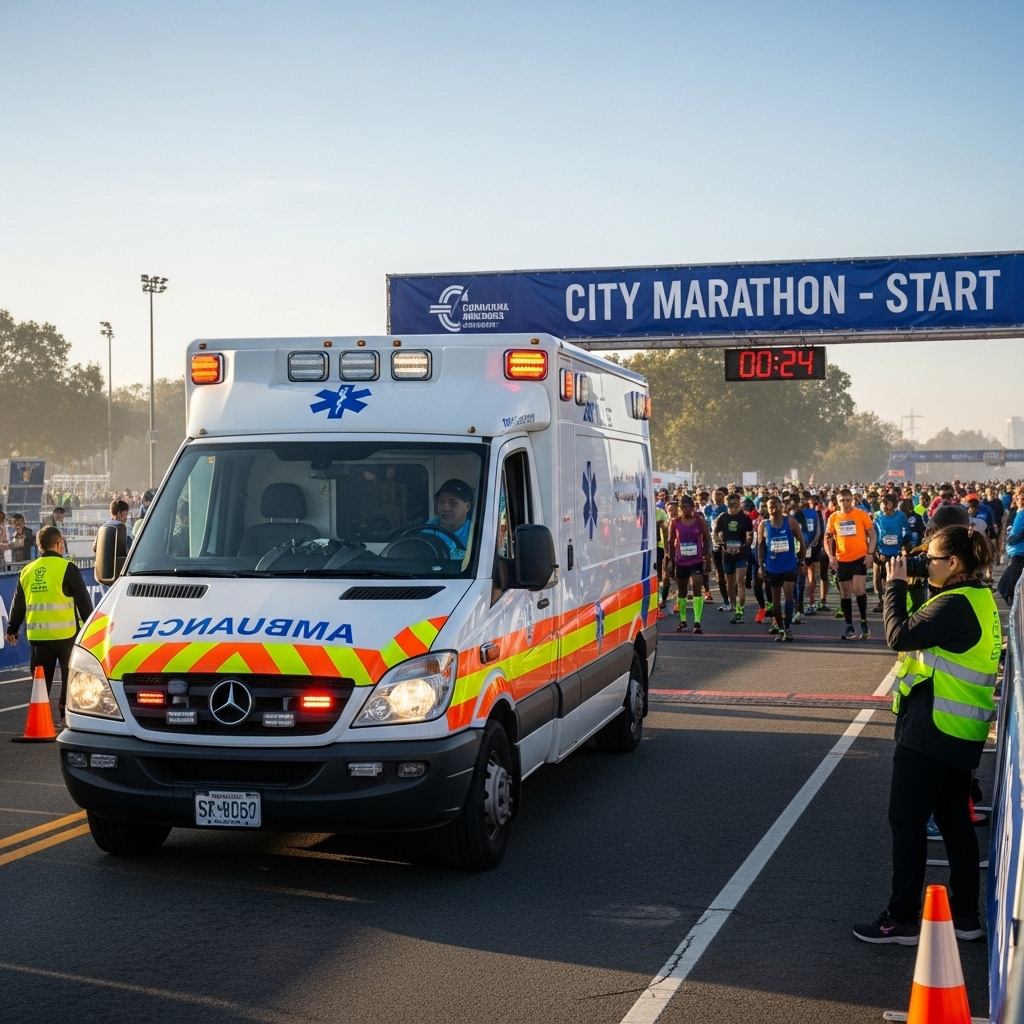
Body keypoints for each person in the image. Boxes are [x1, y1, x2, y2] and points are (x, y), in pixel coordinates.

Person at [854, 525, 999, 945]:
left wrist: (896, 586)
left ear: (953, 563)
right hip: (959, 731)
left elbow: (899, 634)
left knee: (907, 821)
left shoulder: (954, 604)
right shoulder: (977, 598)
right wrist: (915, 583)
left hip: (931, 732)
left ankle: (900, 919)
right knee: (955, 823)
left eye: (930, 558)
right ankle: (966, 918)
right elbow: (924, 630)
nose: (923, 563)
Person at [5, 526, 94, 723]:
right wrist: (91, 628)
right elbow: (83, 601)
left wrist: (12, 628)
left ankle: (39, 719)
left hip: (37, 637)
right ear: (59, 543)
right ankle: (65, 713)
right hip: (65, 635)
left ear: (40, 547)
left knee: (40, 681)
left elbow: (18, 603)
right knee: (69, 677)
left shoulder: (27, 570)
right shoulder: (67, 567)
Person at [825, 487, 877, 640]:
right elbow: (827, 538)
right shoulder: (833, 518)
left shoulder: (861, 515)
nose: (845, 503)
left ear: (852, 500)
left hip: (859, 556)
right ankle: (849, 626)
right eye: (842, 501)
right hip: (842, 559)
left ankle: (863, 621)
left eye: (848, 500)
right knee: (845, 592)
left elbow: (872, 534)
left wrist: (870, 553)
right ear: (837, 502)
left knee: (859, 588)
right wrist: (830, 557)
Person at [757, 496, 802, 642]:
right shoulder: (764, 525)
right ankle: (781, 627)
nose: (774, 509)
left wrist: (800, 563)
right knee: (775, 600)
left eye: (776, 506)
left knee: (788, 596)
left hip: (789, 566)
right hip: (772, 567)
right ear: (767, 509)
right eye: (771, 507)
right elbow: (760, 547)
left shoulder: (790, 522)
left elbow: (802, 542)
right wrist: (761, 565)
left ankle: (787, 629)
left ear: (781, 507)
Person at [668, 495, 712, 634]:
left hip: (696, 560)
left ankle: (697, 622)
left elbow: (707, 538)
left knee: (697, 586)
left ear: (692, 508)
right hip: (681, 561)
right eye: (681, 507)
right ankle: (683, 621)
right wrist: (670, 560)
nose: (684, 510)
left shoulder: (699, 521)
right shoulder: (675, 522)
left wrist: (707, 557)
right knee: (682, 591)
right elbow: (670, 541)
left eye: (686, 507)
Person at [714, 493, 753, 623]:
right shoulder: (722, 517)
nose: (731, 504)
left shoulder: (745, 518)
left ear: (739, 502)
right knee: (730, 584)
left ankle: (739, 610)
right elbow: (715, 534)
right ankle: (733, 605)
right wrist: (722, 544)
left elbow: (749, 537)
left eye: (734, 502)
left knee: (740, 581)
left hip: (741, 553)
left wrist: (744, 545)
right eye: (729, 502)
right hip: (727, 554)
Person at [872, 493, 912, 611]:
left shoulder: (900, 516)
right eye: (882, 503)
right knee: (877, 578)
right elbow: (872, 534)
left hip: (896, 552)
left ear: (893, 505)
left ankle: (892, 603)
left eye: (886, 503)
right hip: (880, 552)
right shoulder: (877, 516)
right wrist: (875, 551)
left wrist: (904, 548)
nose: (884, 506)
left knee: (892, 579)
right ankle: (881, 601)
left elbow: (907, 532)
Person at [425, 479, 473, 558]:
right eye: (441, 502)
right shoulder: (426, 531)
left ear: (467, 507)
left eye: (453, 503)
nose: (445, 508)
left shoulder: (477, 535)